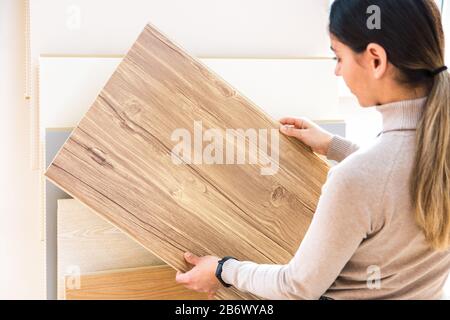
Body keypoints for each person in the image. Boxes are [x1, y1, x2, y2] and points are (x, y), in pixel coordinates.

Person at [175, 0, 450, 299]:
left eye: (339, 57)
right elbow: (396, 181)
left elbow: (297, 286)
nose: (337, 71)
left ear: (375, 60)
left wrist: (222, 269)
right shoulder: (435, 150)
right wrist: (334, 146)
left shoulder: (356, 179)